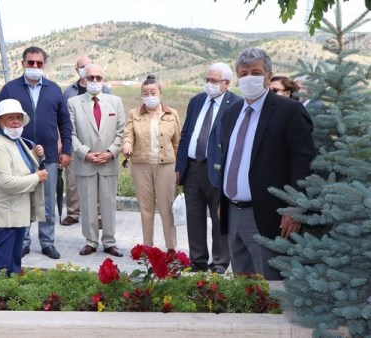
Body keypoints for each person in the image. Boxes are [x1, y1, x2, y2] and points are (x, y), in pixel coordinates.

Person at [220, 48, 316, 280]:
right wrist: (222, 200)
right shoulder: (231, 113)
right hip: (233, 213)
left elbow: (303, 160)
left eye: (255, 72)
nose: (248, 78)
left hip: (268, 216)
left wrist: (295, 206)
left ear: (268, 75)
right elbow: (228, 159)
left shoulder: (289, 111)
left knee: (270, 288)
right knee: (242, 290)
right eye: (243, 74)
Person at [0, 46, 72, 260]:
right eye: (31, 63)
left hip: (48, 156)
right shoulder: (10, 89)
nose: (35, 67)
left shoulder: (54, 89)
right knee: (23, 200)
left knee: (47, 200)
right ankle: (23, 241)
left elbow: (64, 122)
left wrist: (66, 149)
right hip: (18, 154)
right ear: (23, 64)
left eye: (39, 63)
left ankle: (47, 242)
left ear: (44, 65)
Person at [175, 62, 242, 273]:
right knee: (194, 217)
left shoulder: (236, 104)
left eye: (214, 81)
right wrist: (179, 167)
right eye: (207, 80)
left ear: (226, 83)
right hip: (193, 169)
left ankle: (220, 263)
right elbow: (185, 134)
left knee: (219, 217)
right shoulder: (197, 101)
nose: (209, 84)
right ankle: (197, 261)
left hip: (218, 171)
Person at [0, 99, 47, 276]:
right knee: (1, 268)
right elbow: (6, 183)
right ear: (0, 121)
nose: (16, 121)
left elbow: (19, 167)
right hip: (2, 216)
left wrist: (35, 156)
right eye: (10, 118)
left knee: (14, 265)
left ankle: (8, 300)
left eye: (18, 117)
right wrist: (36, 177)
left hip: (15, 214)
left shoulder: (19, 142)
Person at [68, 64, 126, 257]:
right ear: (83, 80)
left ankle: (109, 241)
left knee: (108, 203)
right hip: (86, 162)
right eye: (90, 78)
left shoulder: (115, 102)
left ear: (104, 79)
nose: (94, 81)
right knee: (87, 203)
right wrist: (85, 153)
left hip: (108, 162)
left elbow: (121, 131)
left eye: (98, 78)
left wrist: (111, 152)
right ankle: (91, 241)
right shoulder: (74, 102)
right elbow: (71, 133)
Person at [121, 75, 180, 252]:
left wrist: (180, 169)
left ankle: (171, 248)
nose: (149, 96)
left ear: (160, 93)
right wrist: (127, 144)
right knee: (146, 209)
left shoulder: (172, 114)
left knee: (166, 208)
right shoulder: (134, 114)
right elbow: (128, 134)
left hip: (166, 165)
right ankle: (148, 247)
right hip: (141, 165)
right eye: (145, 93)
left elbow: (178, 143)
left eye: (153, 92)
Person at [61, 56, 111, 226]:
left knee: (97, 181)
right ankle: (73, 213)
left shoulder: (106, 90)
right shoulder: (69, 91)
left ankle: (98, 215)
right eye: (82, 67)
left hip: (98, 142)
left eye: (88, 66)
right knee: (72, 180)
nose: (85, 70)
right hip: (75, 142)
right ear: (77, 70)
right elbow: (63, 118)